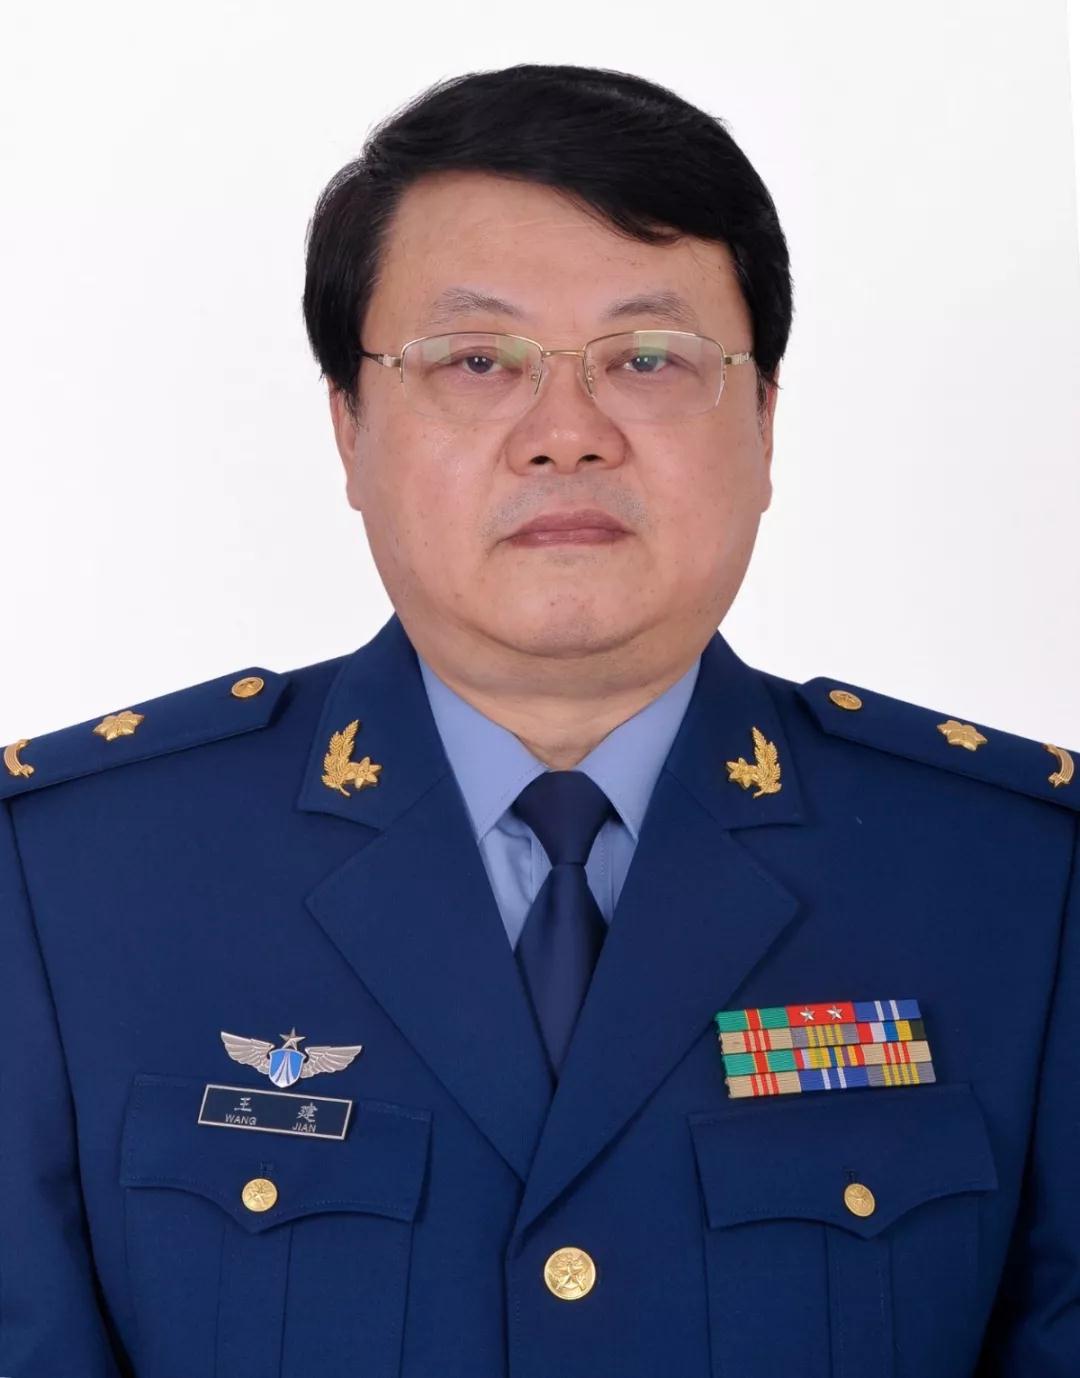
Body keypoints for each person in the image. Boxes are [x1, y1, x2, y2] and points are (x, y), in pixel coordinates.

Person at [0, 61, 1076, 1378]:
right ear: (347, 427)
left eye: (647, 358)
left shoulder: (1022, 878)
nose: (567, 435)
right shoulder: (63, 880)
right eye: (475, 361)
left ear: (765, 422)